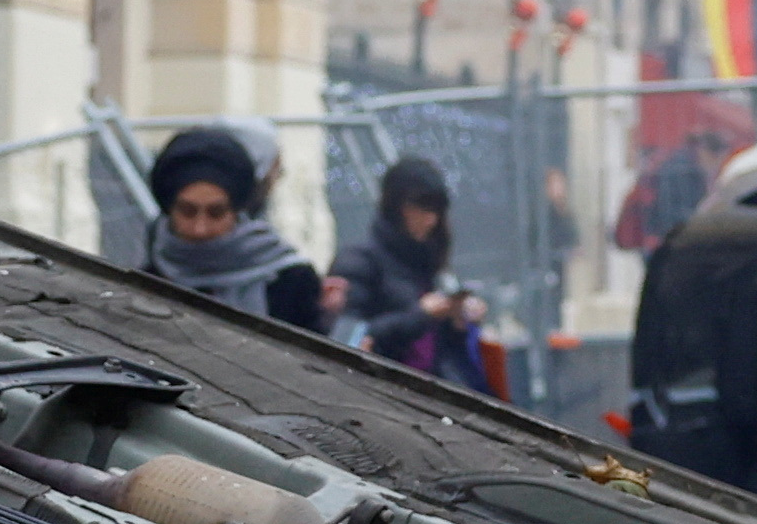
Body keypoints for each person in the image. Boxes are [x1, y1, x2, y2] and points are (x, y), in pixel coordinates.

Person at [142, 122, 325, 330]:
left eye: (216, 213)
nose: (200, 228)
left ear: (236, 211)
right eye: (187, 212)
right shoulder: (148, 281)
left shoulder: (289, 281)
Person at [332, 157, 496, 387]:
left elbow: (439, 349)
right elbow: (347, 337)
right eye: (420, 208)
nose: (429, 220)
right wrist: (420, 315)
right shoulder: (359, 263)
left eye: (435, 211)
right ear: (397, 208)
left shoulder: (427, 262)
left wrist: (456, 319)